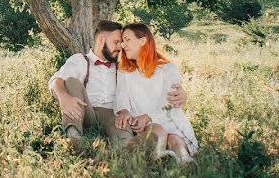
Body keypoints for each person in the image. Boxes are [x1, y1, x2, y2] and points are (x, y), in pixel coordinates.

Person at [48, 20, 187, 149]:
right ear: (101, 40)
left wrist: (182, 93)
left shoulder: (122, 68)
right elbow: (55, 81)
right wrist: (63, 96)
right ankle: (74, 140)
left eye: (121, 42)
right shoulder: (80, 60)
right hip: (86, 110)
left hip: (112, 114)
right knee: (71, 82)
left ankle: (130, 153)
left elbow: (146, 81)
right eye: (116, 42)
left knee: (123, 137)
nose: (120, 47)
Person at [113, 22, 198, 162]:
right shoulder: (125, 71)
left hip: (169, 120)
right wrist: (124, 111)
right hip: (145, 125)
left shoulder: (168, 68)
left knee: (175, 139)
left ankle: (185, 162)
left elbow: (168, 101)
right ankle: (159, 160)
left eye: (127, 40)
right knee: (157, 131)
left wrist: (147, 116)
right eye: (122, 41)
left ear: (143, 41)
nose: (123, 45)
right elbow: (121, 96)